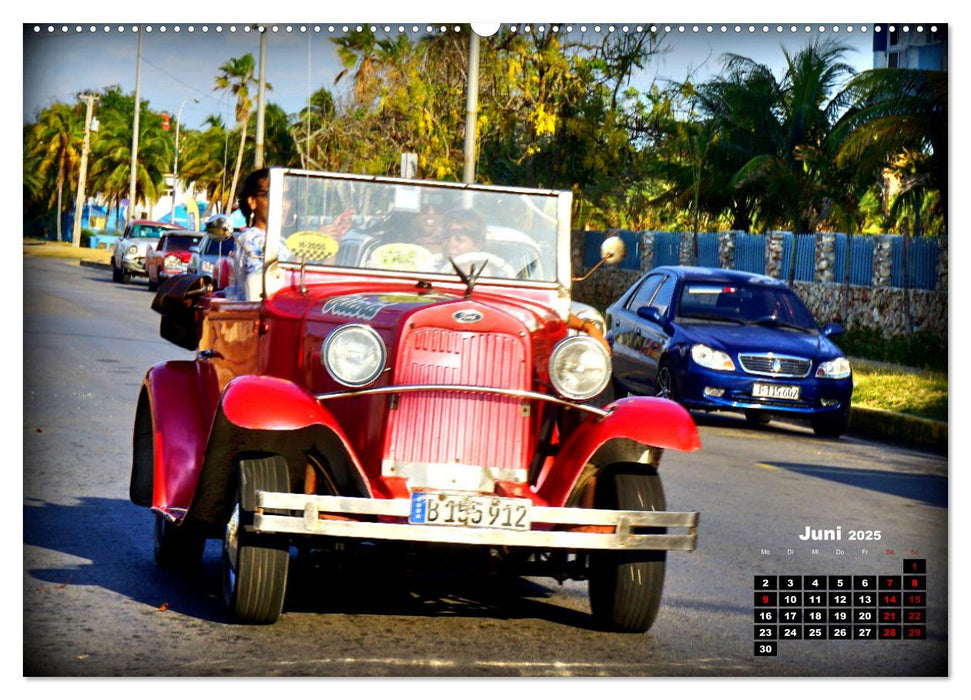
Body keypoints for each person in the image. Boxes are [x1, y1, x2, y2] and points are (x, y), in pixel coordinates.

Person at [439, 209, 514, 278]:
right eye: (446, 238)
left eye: (459, 240)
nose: (449, 245)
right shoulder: (431, 269)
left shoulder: (495, 275)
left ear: (478, 245)